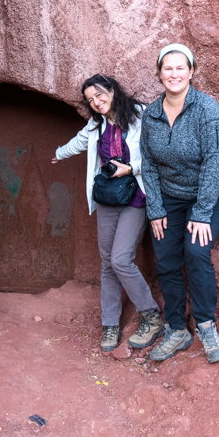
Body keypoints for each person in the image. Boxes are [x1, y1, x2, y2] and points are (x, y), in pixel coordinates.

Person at [52, 75, 164, 352]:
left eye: (100, 95)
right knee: (106, 264)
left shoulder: (140, 114)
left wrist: (131, 168)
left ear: (112, 91)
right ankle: (110, 325)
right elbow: (79, 143)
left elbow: (156, 153)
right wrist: (58, 154)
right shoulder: (96, 124)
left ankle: (151, 315)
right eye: (91, 100)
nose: (97, 102)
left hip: (135, 196)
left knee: (120, 259)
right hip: (107, 197)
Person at [140, 44, 219, 363]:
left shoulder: (207, 109)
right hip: (169, 197)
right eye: (168, 68)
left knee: (195, 251)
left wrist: (202, 213)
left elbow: (213, 161)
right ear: (159, 74)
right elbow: (149, 165)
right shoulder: (151, 114)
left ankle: (206, 326)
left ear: (191, 72)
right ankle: (177, 329)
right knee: (166, 258)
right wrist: (155, 209)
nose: (174, 74)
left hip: (209, 196)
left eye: (181, 68)